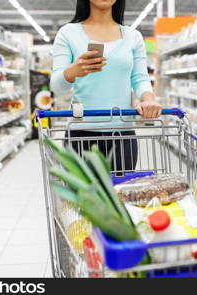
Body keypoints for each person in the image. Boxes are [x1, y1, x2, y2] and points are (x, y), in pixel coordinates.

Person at [50, 0, 162, 173]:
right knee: (83, 200)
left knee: (120, 197)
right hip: (81, 135)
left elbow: (140, 78)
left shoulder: (133, 36)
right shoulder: (68, 33)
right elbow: (57, 87)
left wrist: (149, 100)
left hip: (122, 134)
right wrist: (73, 71)